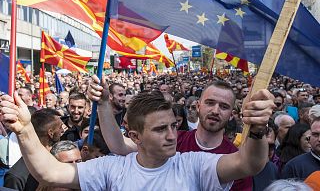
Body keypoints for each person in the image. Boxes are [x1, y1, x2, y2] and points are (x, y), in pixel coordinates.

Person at [0, 83, 273, 190]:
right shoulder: (111, 168)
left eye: (172, 126)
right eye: (159, 129)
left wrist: (258, 129)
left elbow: (249, 164)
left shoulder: (195, 165)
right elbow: (49, 173)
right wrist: (24, 130)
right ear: (135, 136)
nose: (171, 136)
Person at [87, 75, 275, 191]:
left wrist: (258, 127)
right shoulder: (174, 139)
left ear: (233, 113)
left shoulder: (233, 155)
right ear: (198, 105)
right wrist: (103, 104)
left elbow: (251, 163)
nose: (216, 110)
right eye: (210, 103)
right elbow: (119, 145)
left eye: (224, 106)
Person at [4, 109, 64, 191]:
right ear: (50, 133)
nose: (63, 130)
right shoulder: (16, 176)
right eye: (60, 127)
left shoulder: (61, 160)